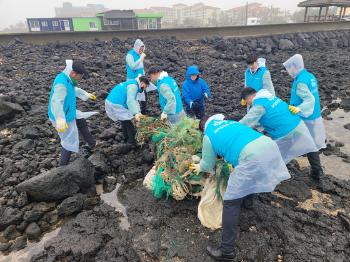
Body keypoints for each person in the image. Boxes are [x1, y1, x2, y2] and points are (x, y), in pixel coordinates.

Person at [189, 114, 290, 261]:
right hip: (270, 146)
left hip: (251, 156)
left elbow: (208, 164)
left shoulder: (209, 135)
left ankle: (226, 251)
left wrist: (199, 166)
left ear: (203, 128)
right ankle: (248, 204)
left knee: (230, 202)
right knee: (250, 176)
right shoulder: (231, 123)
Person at [240, 87, 318, 164]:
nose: (248, 104)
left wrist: (231, 127)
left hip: (285, 132)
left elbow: (246, 122)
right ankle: (317, 171)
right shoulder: (269, 97)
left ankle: (279, 174)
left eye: (246, 102)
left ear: (247, 99)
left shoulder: (258, 106)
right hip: (298, 123)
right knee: (310, 147)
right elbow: (272, 115)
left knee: (274, 158)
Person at [283, 54, 326, 179]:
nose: (289, 71)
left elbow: (309, 100)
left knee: (294, 140)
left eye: (290, 68)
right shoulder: (309, 76)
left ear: (295, 67)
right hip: (314, 115)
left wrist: (298, 108)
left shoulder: (301, 81)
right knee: (310, 143)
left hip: (306, 117)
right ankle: (316, 171)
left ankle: (278, 166)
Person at [48, 60, 97, 166]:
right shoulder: (61, 83)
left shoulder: (68, 79)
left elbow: (73, 89)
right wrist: (60, 119)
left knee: (81, 122)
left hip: (69, 111)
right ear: (73, 73)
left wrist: (86, 94)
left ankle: (93, 144)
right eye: (81, 76)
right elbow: (56, 102)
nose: (81, 78)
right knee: (68, 141)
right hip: (61, 116)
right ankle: (63, 167)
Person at [105, 76, 150, 148]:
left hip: (112, 102)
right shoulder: (133, 86)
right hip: (116, 104)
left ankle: (126, 138)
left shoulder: (132, 83)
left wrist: (138, 112)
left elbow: (134, 101)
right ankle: (131, 142)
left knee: (124, 120)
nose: (145, 89)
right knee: (129, 121)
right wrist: (136, 113)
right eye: (145, 86)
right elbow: (131, 100)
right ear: (142, 83)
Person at [126, 39, 152, 114]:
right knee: (133, 96)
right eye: (140, 49)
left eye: (142, 49)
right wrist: (140, 59)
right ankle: (134, 113)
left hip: (141, 79)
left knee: (144, 95)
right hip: (132, 80)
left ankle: (143, 111)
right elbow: (132, 66)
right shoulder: (130, 55)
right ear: (137, 47)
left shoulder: (139, 54)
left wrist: (143, 72)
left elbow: (140, 66)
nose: (141, 51)